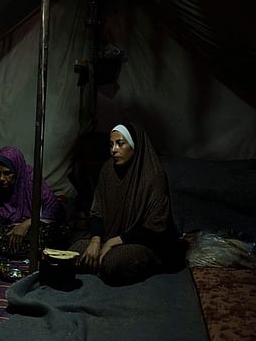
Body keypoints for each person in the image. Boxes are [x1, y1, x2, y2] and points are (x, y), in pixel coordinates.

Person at [70, 122, 185, 286]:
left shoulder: (153, 177)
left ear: (134, 145)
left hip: (143, 243)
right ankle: (99, 261)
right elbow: (97, 212)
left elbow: (155, 228)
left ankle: (110, 264)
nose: (113, 150)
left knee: (113, 263)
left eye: (120, 144)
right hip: (109, 237)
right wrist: (96, 241)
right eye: (111, 145)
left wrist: (113, 242)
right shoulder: (108, 170)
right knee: (73, 252)